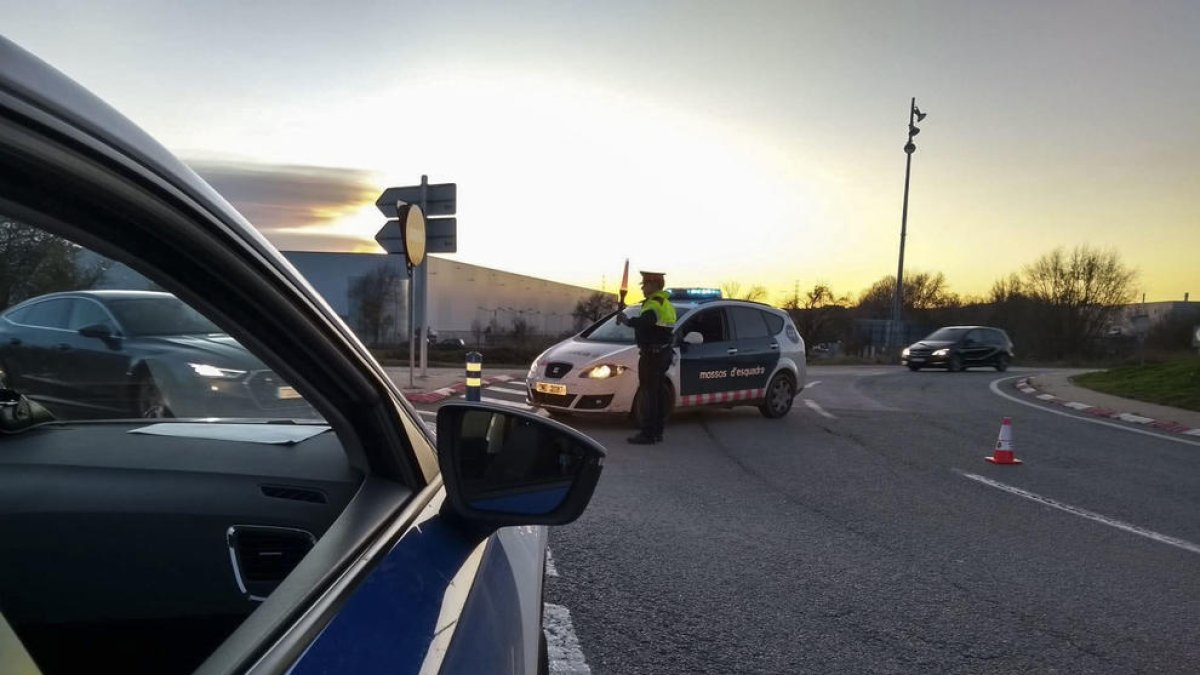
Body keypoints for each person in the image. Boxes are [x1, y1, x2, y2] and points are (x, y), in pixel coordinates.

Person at [616, 270, 677, 444]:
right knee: (656, 394)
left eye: (645, 285)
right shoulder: (665, 303)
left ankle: (648, 434)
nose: (643, 288)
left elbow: (646, 322)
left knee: (649, 394)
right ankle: (657, 431)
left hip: (652, 355)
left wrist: (628, 321)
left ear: (654, 285)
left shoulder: (653, 304)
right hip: (662, 353)